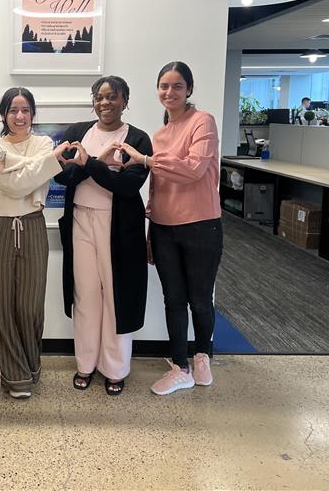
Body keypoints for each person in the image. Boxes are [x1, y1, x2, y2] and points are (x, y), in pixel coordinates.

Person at [119, 61, 223, 395]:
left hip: (201, 225)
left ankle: (203, 354)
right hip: (164, 227)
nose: (169, 92)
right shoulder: (159, 135)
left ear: (189, 89)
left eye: (177, 86)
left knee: (200, 298)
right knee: (173, 299)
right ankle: (180, 366)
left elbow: (194, 169)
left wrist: (146, 160)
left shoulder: (202, 121)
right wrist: (152, 232)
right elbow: (158, 188)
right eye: (164, 86)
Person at [54, 75, 152, 396]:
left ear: (125, 100)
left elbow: (126, 186)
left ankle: (115, 368)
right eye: (99, 96)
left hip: (118, 227)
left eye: (112, 96)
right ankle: (85, 364)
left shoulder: (137, 139)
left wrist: (89, 165)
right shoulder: (77, 132)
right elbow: (65, 177)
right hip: (80, 219)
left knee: (115, 296)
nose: (104, 103)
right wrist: (101, 163)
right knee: (85, 295)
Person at [0, 88, 72, 399]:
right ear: (3, 114)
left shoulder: (43, 143)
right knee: (1, 306)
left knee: (30, 306)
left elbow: (30, 180)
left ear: (33, 114)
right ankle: (15, 375)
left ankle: (32, 366)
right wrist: (41, 166)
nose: (20, 116)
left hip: (32, 227)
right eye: (13, 110)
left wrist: (17, 163)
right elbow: (11, 185)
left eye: (26, 110)